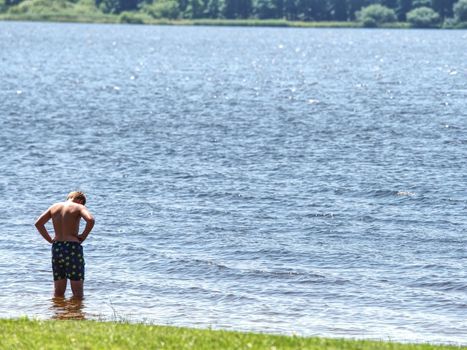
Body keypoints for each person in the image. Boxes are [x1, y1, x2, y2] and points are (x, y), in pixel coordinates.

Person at [35, 191, 95, 299]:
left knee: (58, 290)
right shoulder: (79, 207)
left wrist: (49, 239)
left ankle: (59, 312)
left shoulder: (54, 206)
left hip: (57, 247)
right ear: (80, 201)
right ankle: (76, 313)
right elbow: (90, 220)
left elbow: (38, 223)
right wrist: (83, 236)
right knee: (77, 291)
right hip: (72, 247)